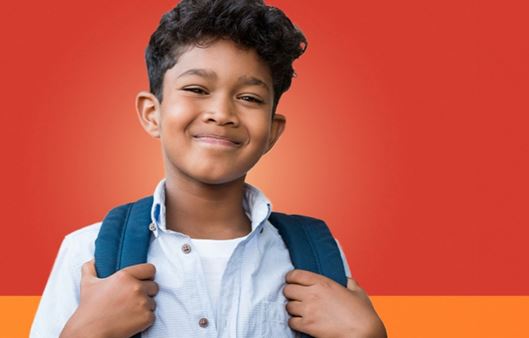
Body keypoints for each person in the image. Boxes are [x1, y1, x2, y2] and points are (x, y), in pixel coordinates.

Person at [30, 0, 387, 337]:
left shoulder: (315, 256)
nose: (222, 113)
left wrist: (367, 334)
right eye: (197, 88)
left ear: (272, 131)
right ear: (152, 114)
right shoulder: (87, 254)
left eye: (249, 98)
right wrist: (86, 332)